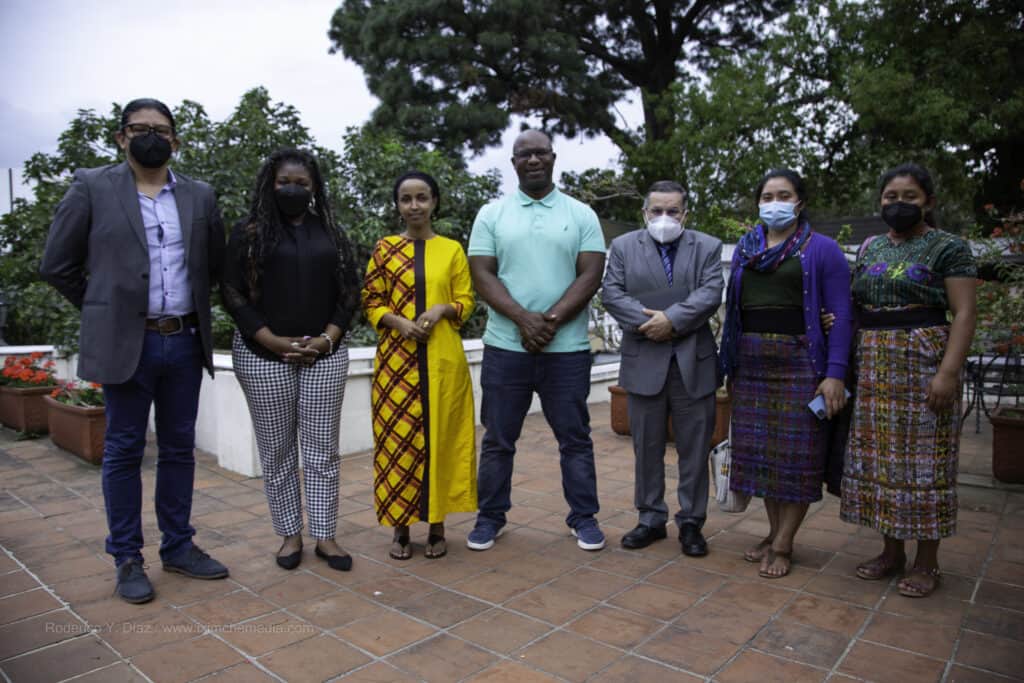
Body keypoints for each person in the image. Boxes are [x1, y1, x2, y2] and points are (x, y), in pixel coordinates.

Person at [40, 98, 228, 603]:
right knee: (123, 450)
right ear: (121, 137)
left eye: (161, 130)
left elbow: (212, 266)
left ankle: (179, 546)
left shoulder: (200, 195)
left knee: (178, 449)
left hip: (184, 342)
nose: (151, 136)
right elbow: (57, 264)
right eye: (139, 128)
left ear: (176, 141)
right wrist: (105, 308)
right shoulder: (92, 186)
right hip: (129, 342)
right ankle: (126, 557)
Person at [466, 129, 607, 551]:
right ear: (513, 162)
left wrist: (549, 321)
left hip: (567, 350)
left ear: (553, 157)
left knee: (575, 437)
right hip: (505, 347)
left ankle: (584, 517)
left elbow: (591, 273)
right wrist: (523, 320)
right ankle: (490, 517)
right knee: (497, 438)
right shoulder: (492, 214)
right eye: (524, 154)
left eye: (540, 152)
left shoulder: (581, 214)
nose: (532, 160)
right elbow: (481, 273)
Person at [840, 163, 976, 598]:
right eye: (891, 197)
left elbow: (965, 312)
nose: (899, 205)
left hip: (925, 362)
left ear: (929, 202)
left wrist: (948, 372)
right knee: (882, 464)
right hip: (876, 365)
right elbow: (858, 303)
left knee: (925, 465)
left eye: (910, 197)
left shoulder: (948, 247)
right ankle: (891, 552)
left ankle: (927, 562)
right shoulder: (870, 247)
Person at [222, 149, 361, 572]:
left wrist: (327, 338)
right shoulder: (246, 233)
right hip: (263, 357)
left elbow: (351, 293)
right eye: (285, 181)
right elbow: (231, 292)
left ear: (315, 187)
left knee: (322, 451)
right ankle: (289, 535)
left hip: (324, 356)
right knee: (277, 449)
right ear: (270, 183)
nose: (293, 189)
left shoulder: (332, 234)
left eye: (302, 183)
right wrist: (271, 339)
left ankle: (325, 536)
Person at [718, 169, 853, 578]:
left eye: (784, 194)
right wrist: (731, 365)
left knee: (798, 457)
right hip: (752, 362)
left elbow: (842, 315)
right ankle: (772, 531)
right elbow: (734, 310)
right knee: (763, 458)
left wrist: (835, 373)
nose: (774, 202)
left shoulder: (822, 249)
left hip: (802, 363)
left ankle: (783, 542)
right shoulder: (746, 248)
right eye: (767, 195)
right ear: (758, 203)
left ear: (800, 202)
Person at [601, 180, 723, 557]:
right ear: (645, 213)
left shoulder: (707, 246)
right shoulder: (623, 248)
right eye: (657, 211)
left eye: (673, 211)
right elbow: (612, 293)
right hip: (644, 361)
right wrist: (650, 323)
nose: (664, 218)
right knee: (647, 447)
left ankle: (691, 521)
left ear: (685, 213)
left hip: (693, 364)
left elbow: (710, 292)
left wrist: (671, 319)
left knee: (694, 448)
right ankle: (650, 517)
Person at [361, 171, 477, 560]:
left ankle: (438, 527)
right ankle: (400, 530)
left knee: (443, 440)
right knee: (398, 443)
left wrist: (443, 308)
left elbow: (466, 300)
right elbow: (371, 300)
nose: (414, 206)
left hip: (444, 360)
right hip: (396, 363)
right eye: (406, 199)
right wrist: (398, 323)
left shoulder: (452, 250)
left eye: (422, 198)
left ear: (434, 202)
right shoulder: (384, 249)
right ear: (397, 205)